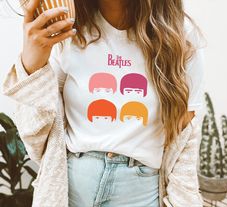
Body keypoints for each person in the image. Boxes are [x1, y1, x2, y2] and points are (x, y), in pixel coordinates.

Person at [2, 0, 205, 206]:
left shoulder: (180, 36)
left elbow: (182, 143)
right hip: (70, 190)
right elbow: (36, 142)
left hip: (140, 195)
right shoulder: (67, 32)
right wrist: (31, 64)